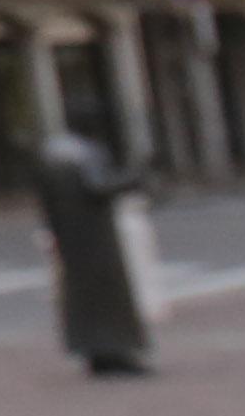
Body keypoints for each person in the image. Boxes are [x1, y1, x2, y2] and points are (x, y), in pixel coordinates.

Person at [33, 128, 155, 376]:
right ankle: (115, 353)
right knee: (109, 297)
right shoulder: (83, 155)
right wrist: (134, 176)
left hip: (71, 241)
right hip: (96, 239)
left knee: (84, 299)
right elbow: (98, 185)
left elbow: (48, 205)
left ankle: (96, 353)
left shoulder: (51, 157)